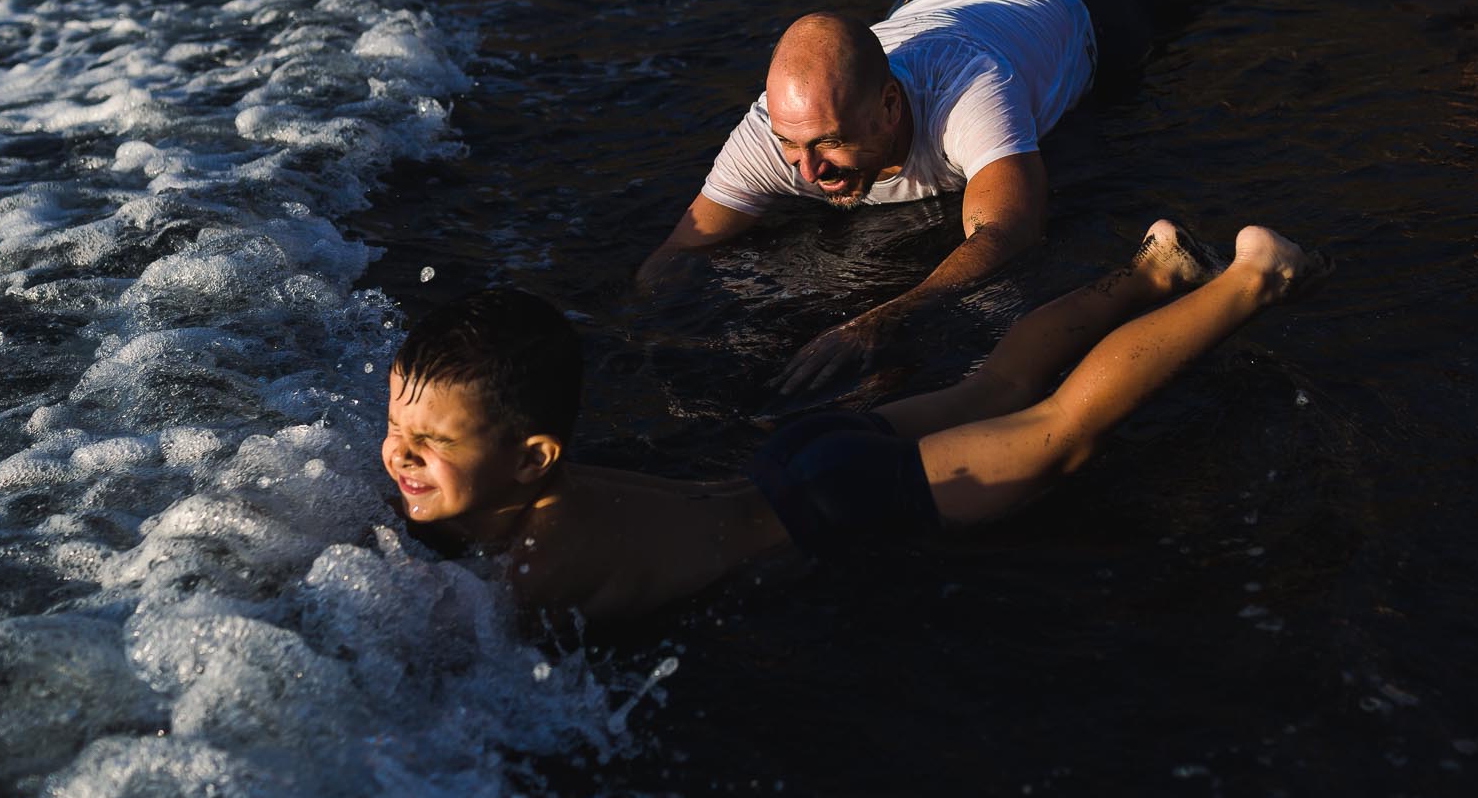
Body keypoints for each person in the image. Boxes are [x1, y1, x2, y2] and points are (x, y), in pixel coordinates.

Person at [383, 219, 1326, 623]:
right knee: (996, 382)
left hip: (836, 503)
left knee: (1062, 425)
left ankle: (1255, 277)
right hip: (796, 464)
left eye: (428, 444)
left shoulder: (530, 566)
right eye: (396, 430)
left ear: (531, 457)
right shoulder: (535, 498)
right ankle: (1155, 270)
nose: (398, 455)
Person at [638, 0, 1224, 394]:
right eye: (792, 146)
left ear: (891, 104)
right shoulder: (776, 125)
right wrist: (647, 345)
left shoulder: (971, 92)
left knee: (1143, 3)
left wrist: (882, 318)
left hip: (1055, 3)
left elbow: (1010, 230)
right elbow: (681, 248)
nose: (807, 171)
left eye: (828, 144)